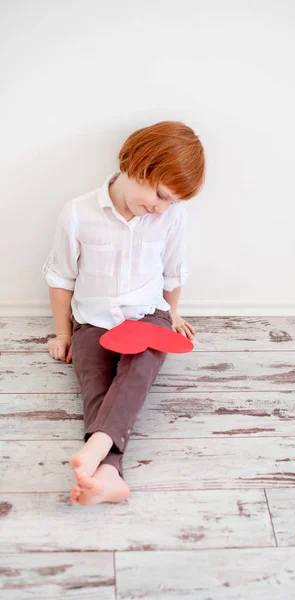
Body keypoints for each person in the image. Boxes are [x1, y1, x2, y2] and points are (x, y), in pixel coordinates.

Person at [43, 120, 205, 505]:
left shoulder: (170, 217)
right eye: (160, 195)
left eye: (171, 202)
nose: (160, 207)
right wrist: (64, 333)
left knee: (139, 367)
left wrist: (171, 314)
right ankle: (111, 473)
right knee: (96, 384)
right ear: (139, 164)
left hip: (148, 314)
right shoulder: (78, 213)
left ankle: (97, 448)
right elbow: (61, 276)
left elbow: (172, 272)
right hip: (92, 323)